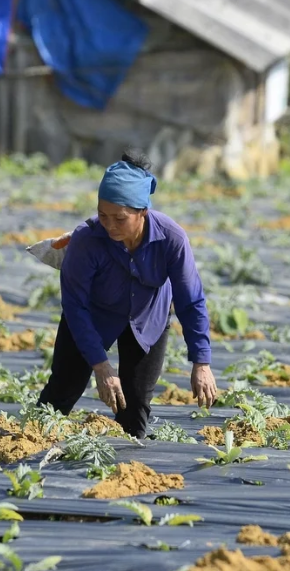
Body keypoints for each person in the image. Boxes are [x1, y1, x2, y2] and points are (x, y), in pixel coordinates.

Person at [36, 148, 217, 439]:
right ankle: (28, 442)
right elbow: (75, 306)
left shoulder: (171, 239)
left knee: (134, 410)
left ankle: (125, 465)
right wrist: (101, 366)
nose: (109, 225)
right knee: (61, 391)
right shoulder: (86, 240)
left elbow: (191, 301)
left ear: (142, 211)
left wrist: (201, 362)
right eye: (102, 215)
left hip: (148, 319)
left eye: (119, 219)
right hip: (93, 317)